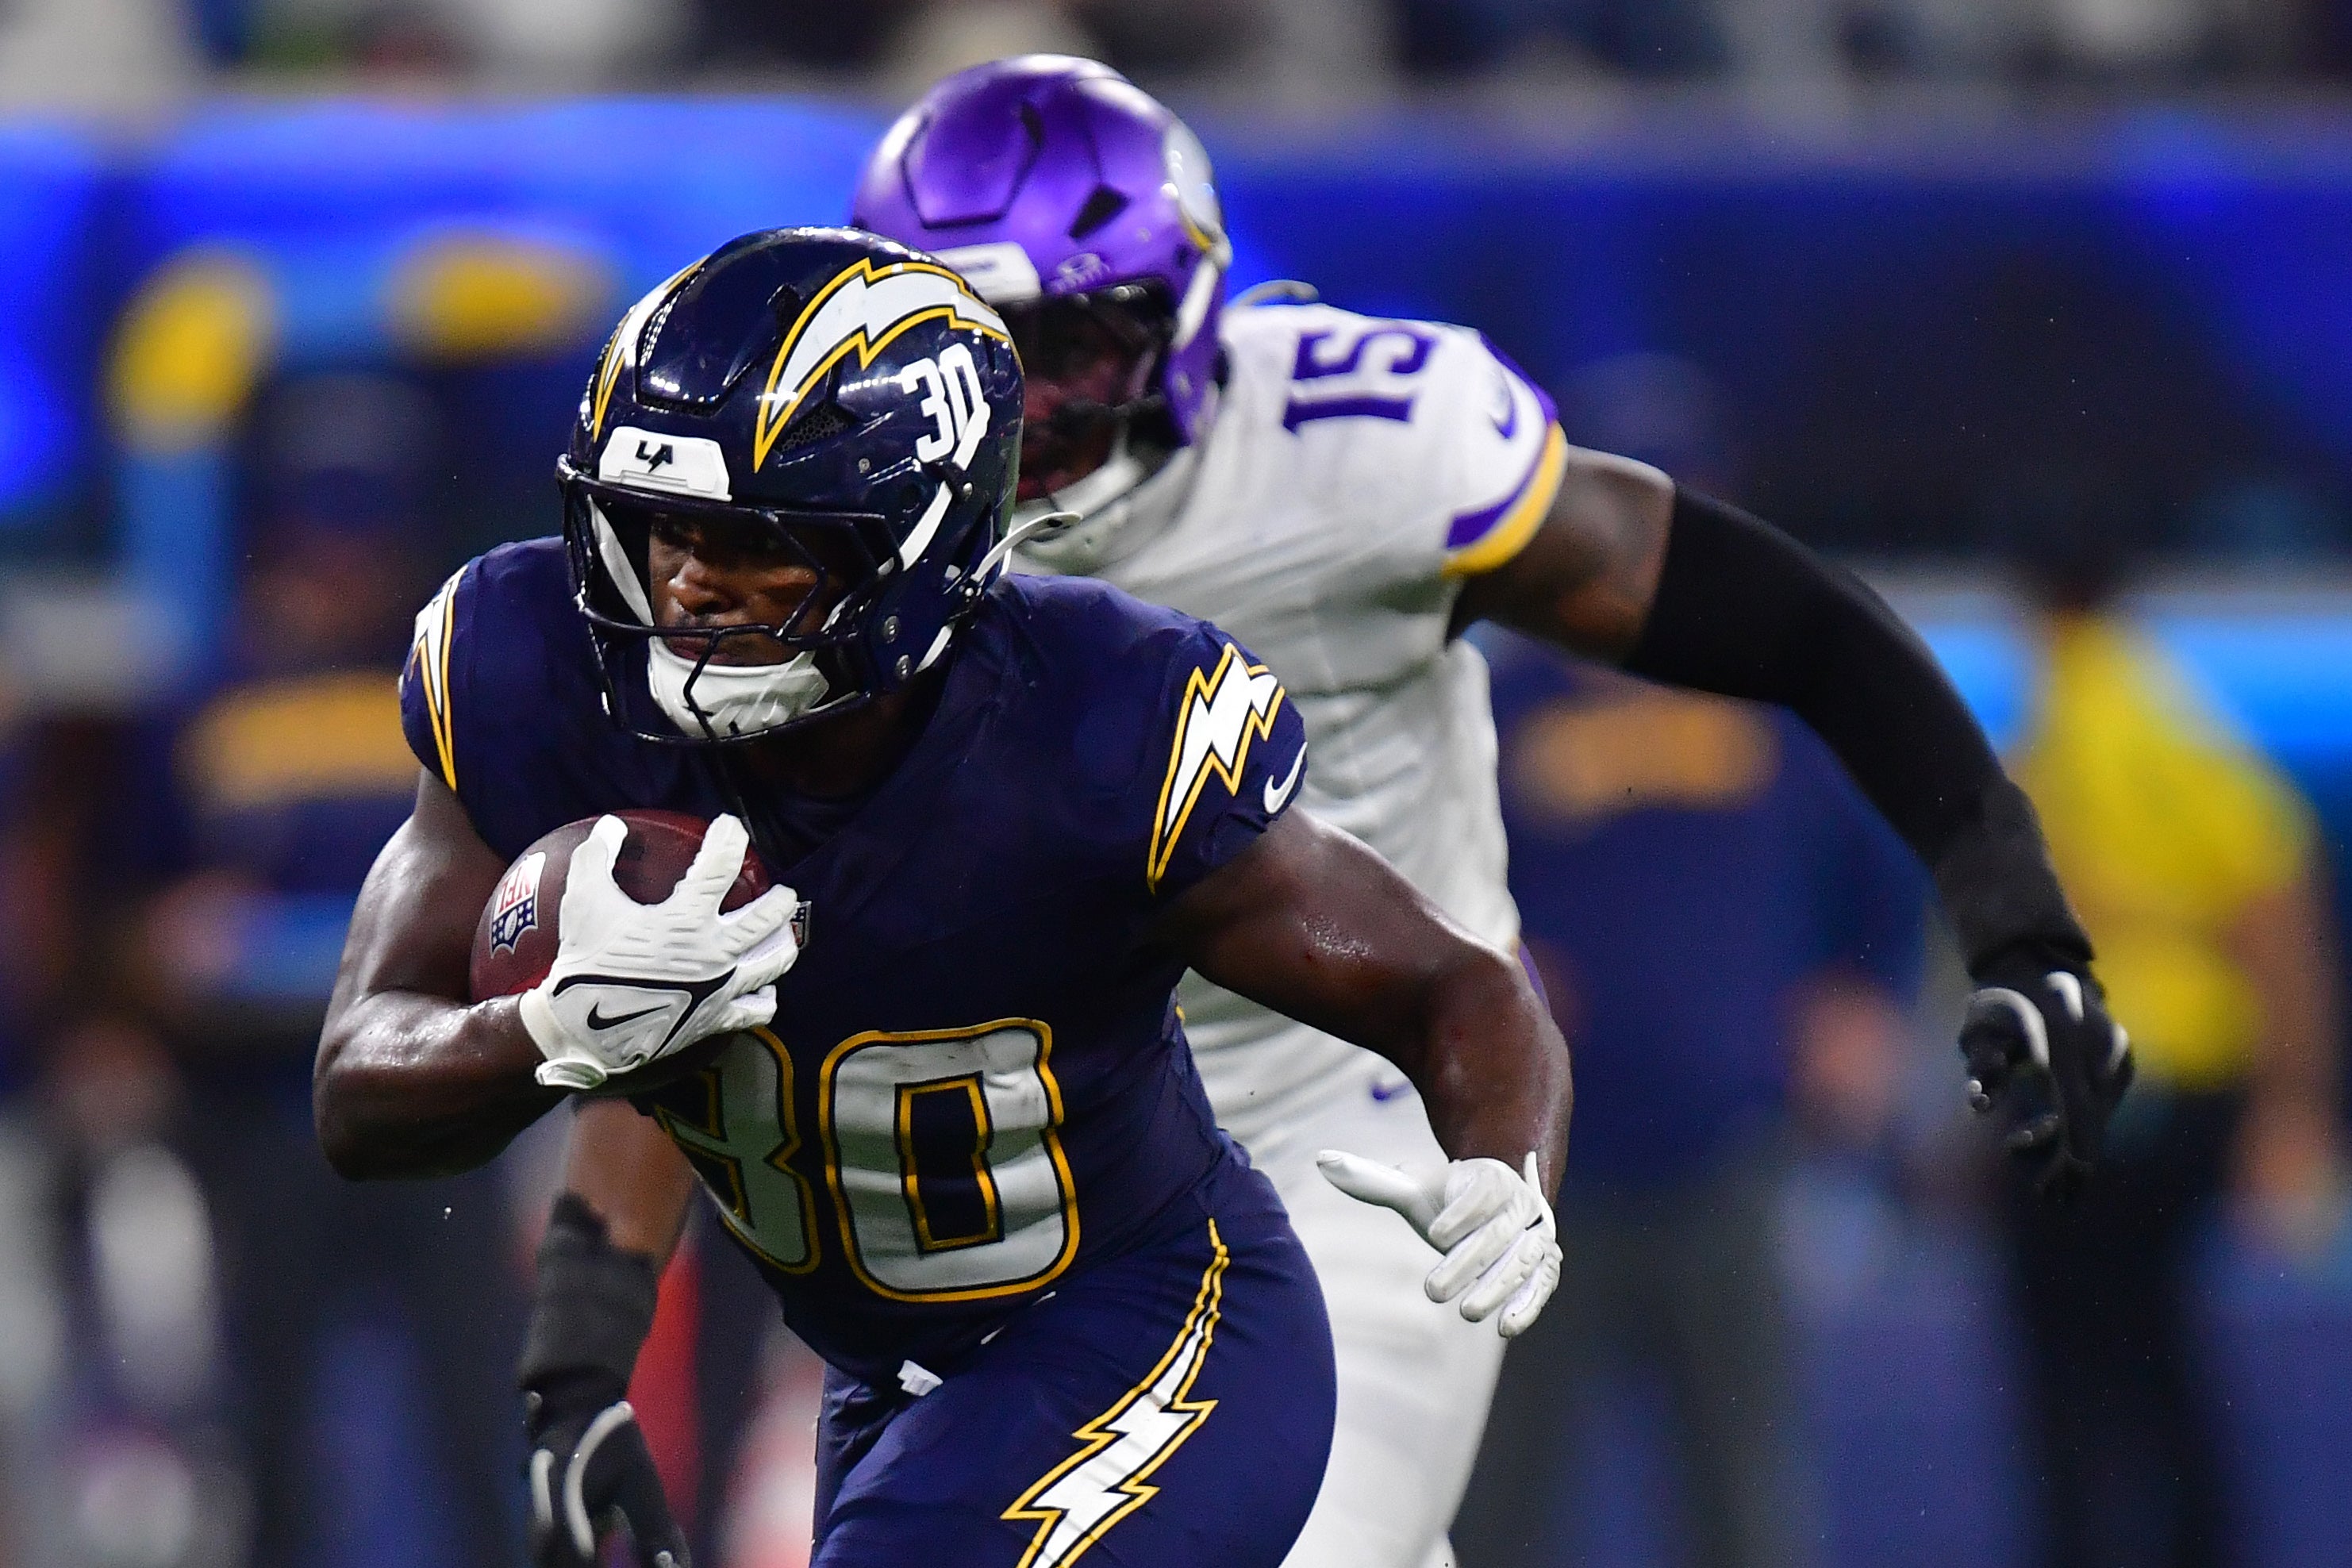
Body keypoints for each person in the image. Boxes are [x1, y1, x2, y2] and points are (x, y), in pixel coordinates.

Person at [531, 57, 2135, 1568]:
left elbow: (1785, 621)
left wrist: (2015, 908)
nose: (1017, 418)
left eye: (1070, 347)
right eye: (974, 351)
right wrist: (581, 1359)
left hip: (1347, 1110)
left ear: (1186, 311)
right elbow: (697, 973)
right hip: (1019, 1149)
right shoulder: (809, 556)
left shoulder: (1359, 453)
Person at [312, 225, 1576, 1568]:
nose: (686, 586)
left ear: (916, 551)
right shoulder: (534, 679)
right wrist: (548, 1043)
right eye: (667, 528)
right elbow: (360, 1087)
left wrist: (1506, 1161)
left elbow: (1453, 983)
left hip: (1160, 1325)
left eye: (758, 543)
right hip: (892, 1386)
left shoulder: (1096, 725)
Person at [1451, 651, 1925, 1568]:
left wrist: (1867, 994)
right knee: (1501, 1497)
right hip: (1534, 1178)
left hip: (1726, 1161)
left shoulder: (1771, 710)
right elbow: (1410, 882)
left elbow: (1881, 870)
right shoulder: (1497, 710)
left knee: (1745, 1500)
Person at [2000, 535, 2346, 1568]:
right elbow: (2279, 916)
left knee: (2073, 1363)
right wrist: (2295, 1101)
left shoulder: (2057, 723)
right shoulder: (2180, 724)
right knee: (2162, 1349)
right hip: (2190, 1081)